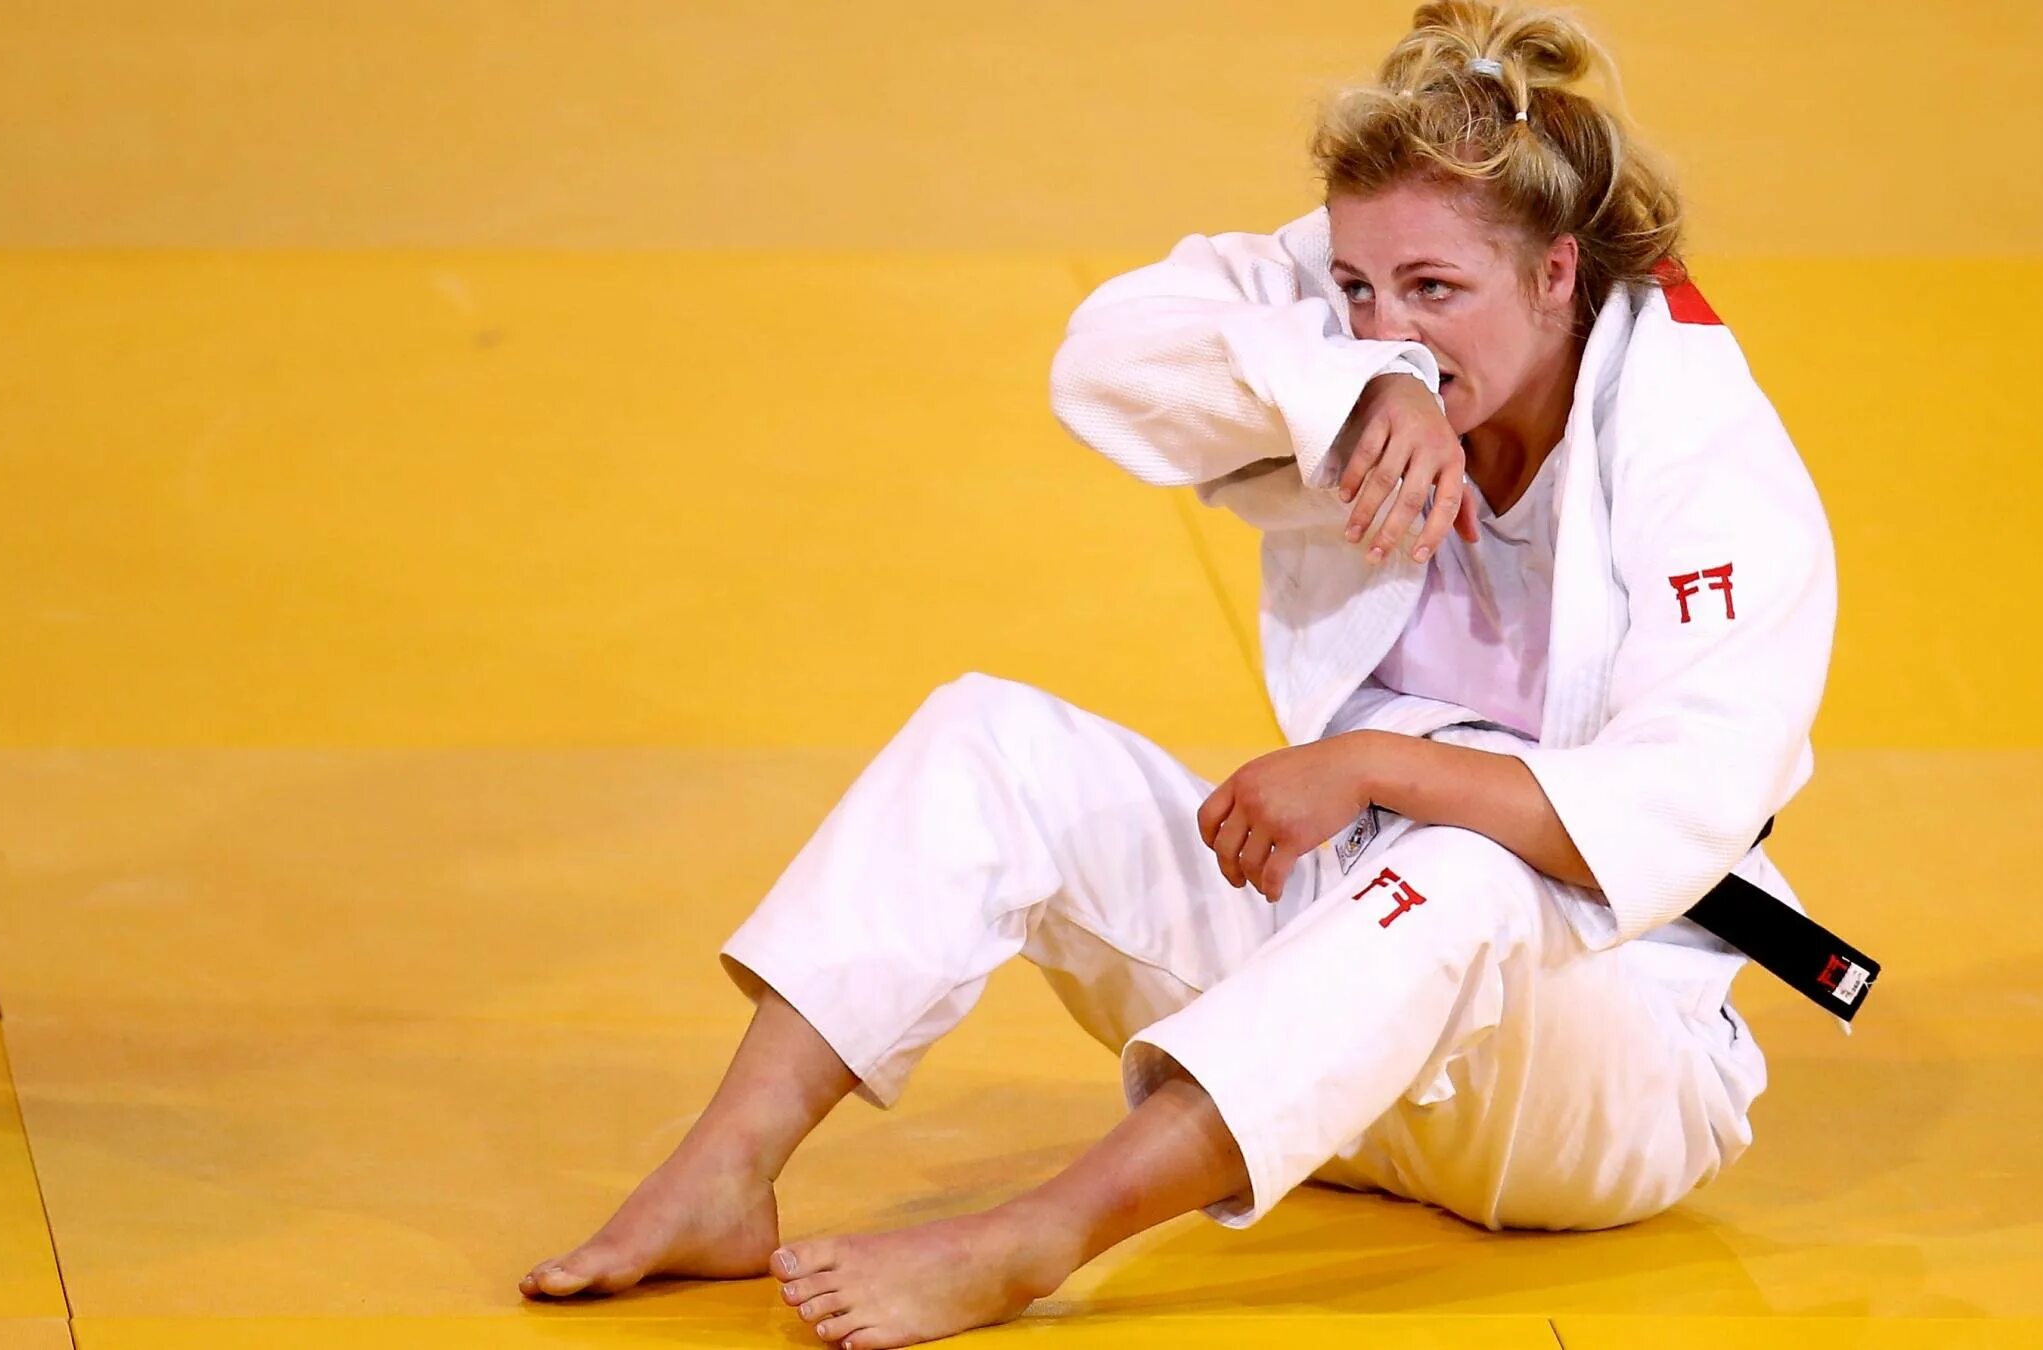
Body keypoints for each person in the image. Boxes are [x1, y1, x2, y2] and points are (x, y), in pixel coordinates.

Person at [519, 1, 1837, 1345]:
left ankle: (1034, 1241)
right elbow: (1105, 360)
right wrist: (1365, 379)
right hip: (1330, 1039)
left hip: (1594, 1076)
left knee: (1468, 867)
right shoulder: (1380, 308)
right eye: (1358, 287)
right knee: (990, 741)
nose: (1388, 320)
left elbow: (1680, 806)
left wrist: (1370, 766)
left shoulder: (1705, 458)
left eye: (1434, 294)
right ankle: (724, 1173)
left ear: (1557, 274)